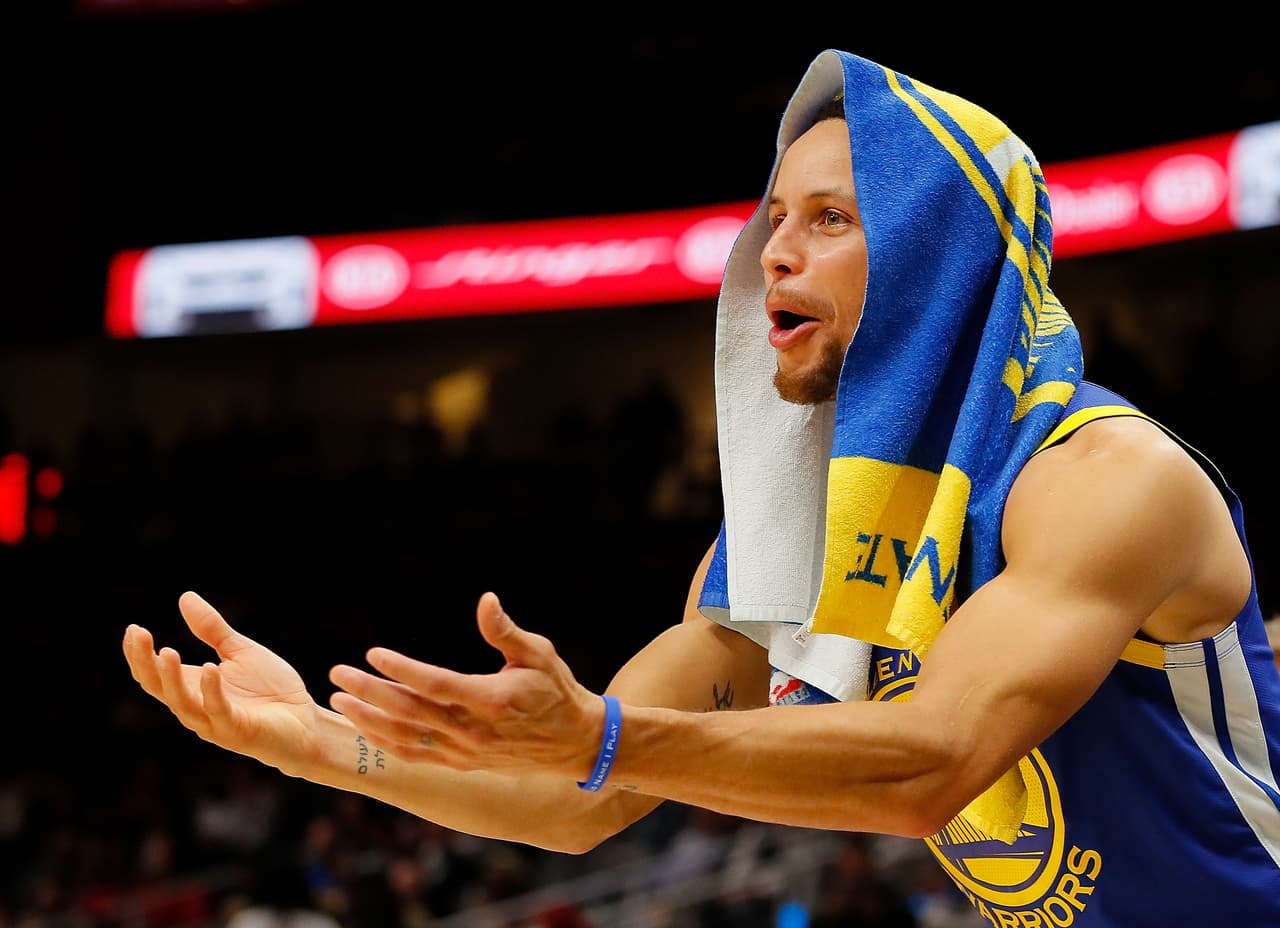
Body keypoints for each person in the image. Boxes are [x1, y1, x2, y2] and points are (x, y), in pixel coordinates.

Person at [121, 48, 1280, 926]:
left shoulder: (1101, 477)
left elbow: (931, 764)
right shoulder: (792, 530)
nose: (773, 253)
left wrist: (605, 737)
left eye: (830, 219)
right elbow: (581, 799)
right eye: (773, 219)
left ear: (942, 261)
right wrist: (312, 744)